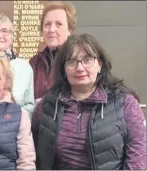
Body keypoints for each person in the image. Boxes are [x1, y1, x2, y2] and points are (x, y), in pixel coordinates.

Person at [32, 33, 146, 170]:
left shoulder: (125, 104)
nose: (80, 68)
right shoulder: (48, 105)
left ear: (99, 64)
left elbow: (137, 160)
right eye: (72, 62)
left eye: (87, 60)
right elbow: (36, 157)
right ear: (64, 69)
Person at [29, 1, 77, 101]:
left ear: (70, 30)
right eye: (47, 24)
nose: (51, 29)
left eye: (59, 24)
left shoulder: (77, 60)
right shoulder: (34, 63)